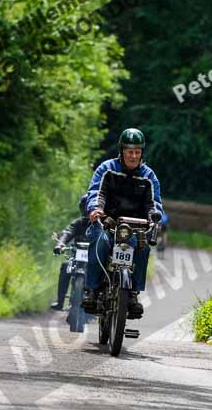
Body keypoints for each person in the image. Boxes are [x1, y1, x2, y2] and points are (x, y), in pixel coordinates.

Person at [82, 128, 163, 316]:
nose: (133, 156)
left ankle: (133, 294)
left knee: (143, 248)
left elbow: (154, 203)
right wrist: (95, 209)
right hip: (106, 223)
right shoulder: (106, 169)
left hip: (134, 228)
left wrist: (154, 217)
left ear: (142, 153)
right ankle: (91, 290)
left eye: (137, 151)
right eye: (129, 151)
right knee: (100, 242)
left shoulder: (149, 176)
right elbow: (96, 193)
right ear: (122, 151)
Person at [50, 195, 89, 311]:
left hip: (95, 257)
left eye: (90, 208)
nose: (87, 210)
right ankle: (60, 301)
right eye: (86, 207)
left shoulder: (101, 225)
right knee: (65, 266)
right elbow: (68, 232)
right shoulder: (78, 223)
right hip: (77, 256)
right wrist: (60, 244)